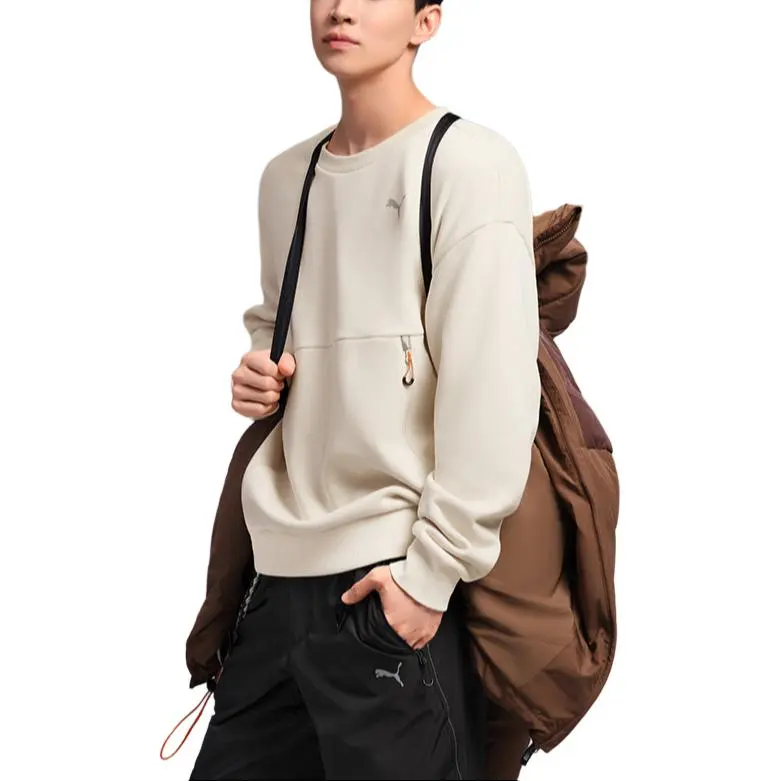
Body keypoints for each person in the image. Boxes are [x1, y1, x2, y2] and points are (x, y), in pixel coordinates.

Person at [190, 1, 541, 778]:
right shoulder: (286, 177)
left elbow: (493, 389)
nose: (340, 9)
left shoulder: (468, 164)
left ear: (425, 23)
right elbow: (282, 323)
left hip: (390, 577)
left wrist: (429, 577)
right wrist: (262, 370)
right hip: (275, 582)